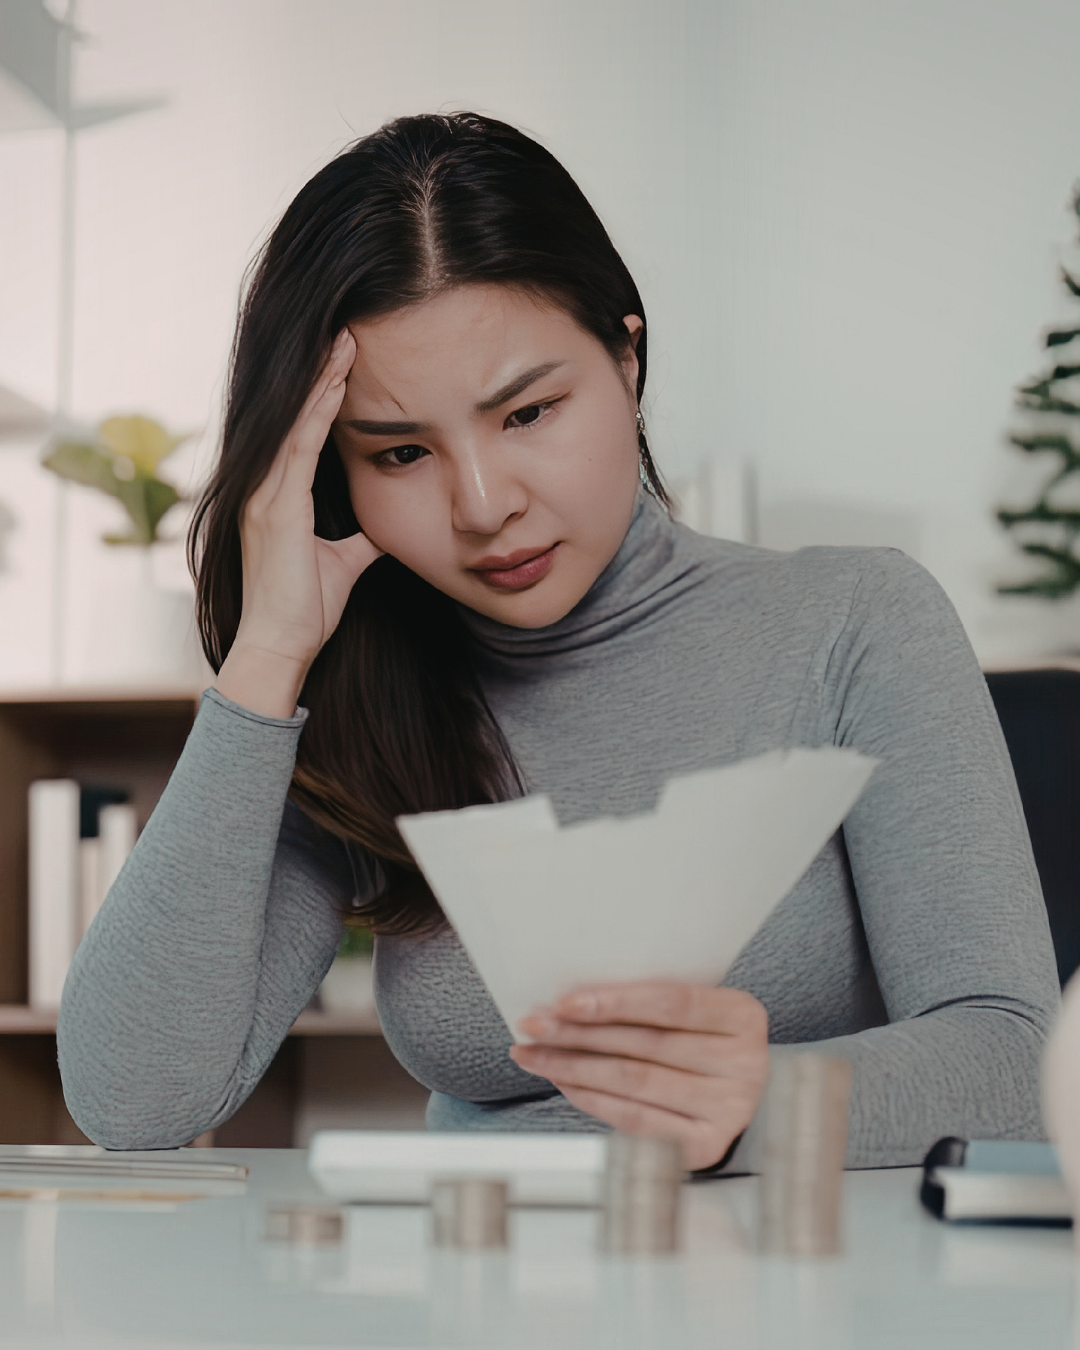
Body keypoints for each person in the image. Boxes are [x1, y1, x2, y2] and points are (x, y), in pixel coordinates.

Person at [57, 112, 1058, 1171]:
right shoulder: (357, 693)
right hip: (477, 1293)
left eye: (529, 413)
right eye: (400, 453)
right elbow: (134, 1101)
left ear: (627, 360)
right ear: (327, 477)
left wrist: (760, 1100)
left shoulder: (856, 624)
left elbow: (1014, 1063)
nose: (484, 506)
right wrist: (264, 663)